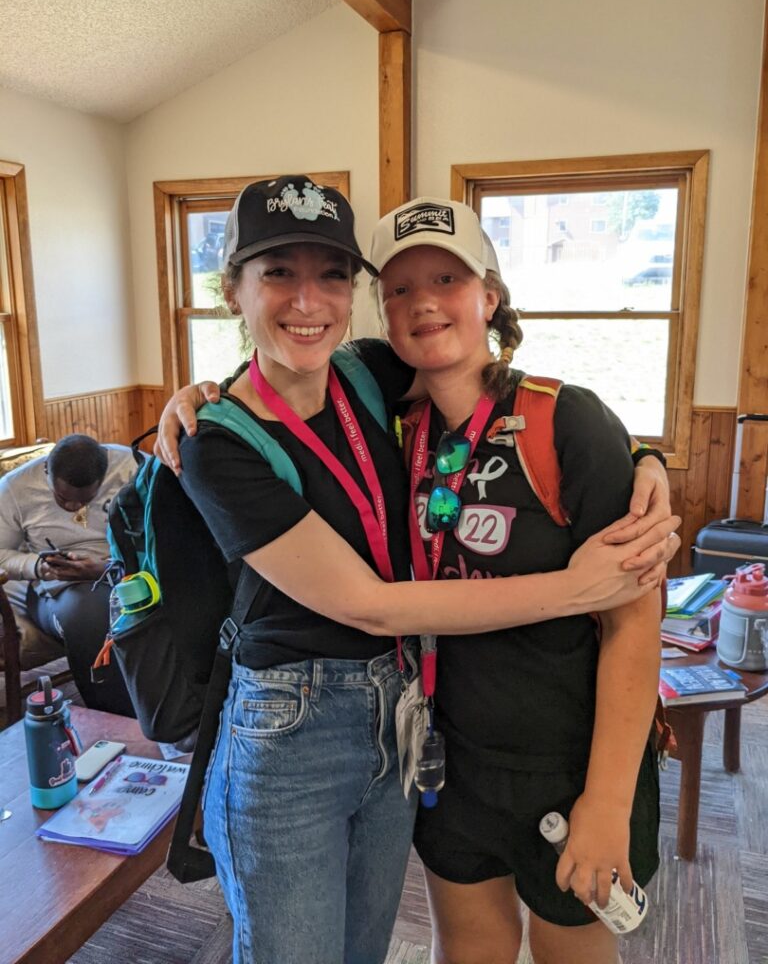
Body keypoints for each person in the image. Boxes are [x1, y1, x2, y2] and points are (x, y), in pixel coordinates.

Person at [157, 175, 678, 964]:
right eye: (277, 274)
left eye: (332, 275)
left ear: (491, 295)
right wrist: (576, 588)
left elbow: (631, 603)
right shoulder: (253, 434)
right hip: (341, 732)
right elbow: (371, 603)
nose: (309, 300)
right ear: (233, 291)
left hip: (465, 730)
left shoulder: (378, 379)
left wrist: (645, 456)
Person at [0, 434, 136, 715]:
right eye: (63, 498)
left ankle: (179, 706)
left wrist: (107, 566)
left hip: (124, 568)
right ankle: (112, 716)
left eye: (86, 499)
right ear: (47, 470)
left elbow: (160, 533)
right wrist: (38, 567)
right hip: (54, 584)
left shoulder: (132, 468)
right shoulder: (15, 488)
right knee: (89, 614)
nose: (74, 508)